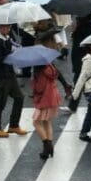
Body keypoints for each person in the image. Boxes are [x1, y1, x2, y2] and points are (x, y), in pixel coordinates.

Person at [33, 28, 71, 159]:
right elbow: (57, 73)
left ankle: (47, 145)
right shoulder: (49, 61)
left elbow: (38, 83)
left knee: (36, 122)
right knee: (47, 121)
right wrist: (66, 85)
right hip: (53, 94)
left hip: (44, 96)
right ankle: (48, 148)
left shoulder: (38, 62)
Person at [0, 23, 27, 138]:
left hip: (10, 74)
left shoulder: (6, 38)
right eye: (5, 27)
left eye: (9, 27)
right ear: (0, 28)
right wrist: (11, 54)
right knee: (0, 102)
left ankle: (14, 125)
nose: (8, 29)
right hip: (2, 76)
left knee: (19, 97)